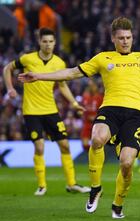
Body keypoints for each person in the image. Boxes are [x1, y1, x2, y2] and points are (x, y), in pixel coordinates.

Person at [18, 17, 140, 219]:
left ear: (132, 37)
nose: (125, 41)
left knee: (126, 164)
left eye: (128, 37)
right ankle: (95, 188)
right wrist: (39, 76)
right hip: (110, 109)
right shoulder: (102, 58)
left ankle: (118, 204)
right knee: (97, 138)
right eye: (121, 38)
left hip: (135, 115)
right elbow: (72, 73)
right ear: (112, 39)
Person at [3, 27, 90, 196]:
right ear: (39, 42)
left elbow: (62, 85)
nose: (48, 45)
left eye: (51, 41)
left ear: (55, 43)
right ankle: (42, 185)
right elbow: (7, 68)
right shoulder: (27, 59)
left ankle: (72, 184)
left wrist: (73, 103)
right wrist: (10, 88)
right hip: (31, 111)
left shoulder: (59, 63)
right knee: (40, 147)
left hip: (51, 110)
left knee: (65, 145)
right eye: (45, 41)